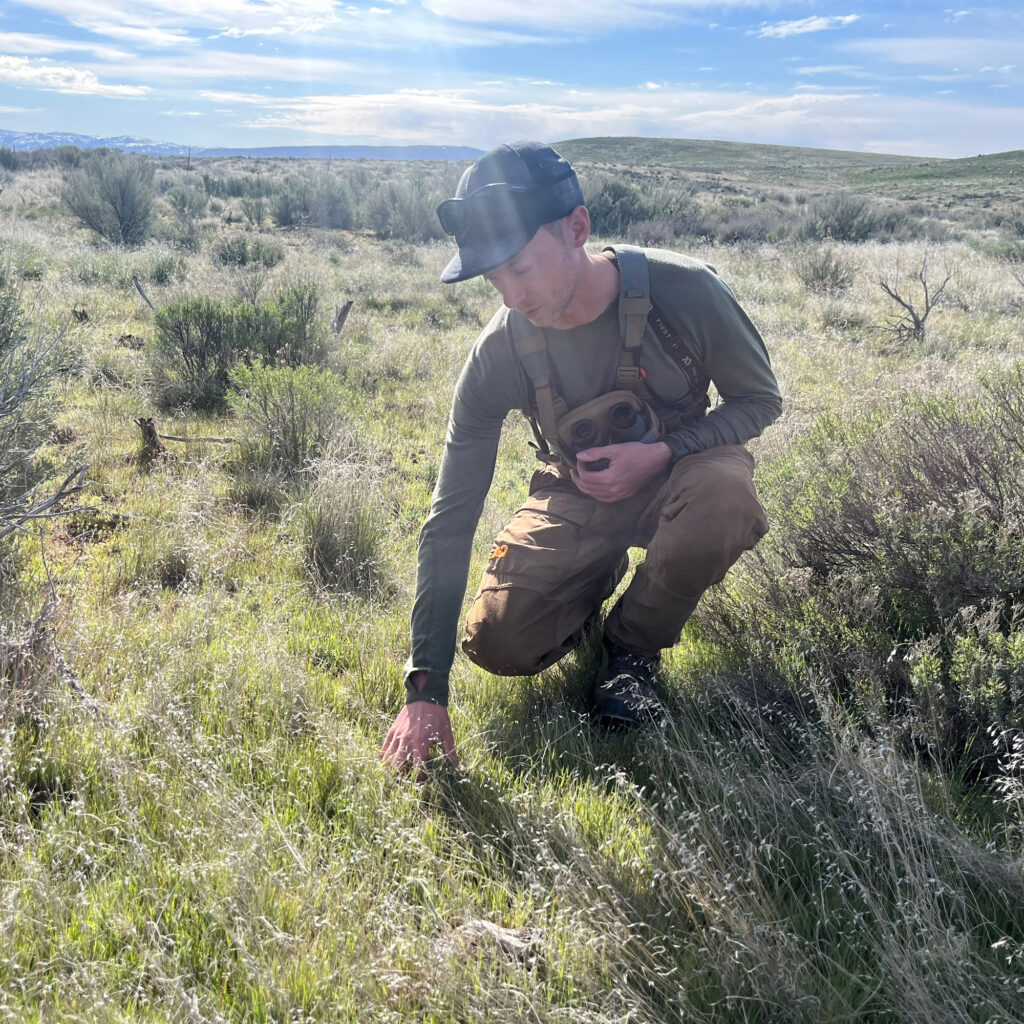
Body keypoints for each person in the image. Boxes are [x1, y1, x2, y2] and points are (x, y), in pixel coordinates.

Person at [380, 140, 781, 773]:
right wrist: (425, 688)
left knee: (723, 499)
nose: (509, 297)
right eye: (492, 279)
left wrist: (666, 453)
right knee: (499, 643)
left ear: (577, 229)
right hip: (576, 495)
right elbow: (450, 516)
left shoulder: (688, 292)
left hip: (682, 477)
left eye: (519, 269)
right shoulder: (498, 353)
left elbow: (759, 401)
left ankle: (632, 652)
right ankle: (590, 582)